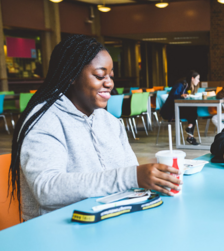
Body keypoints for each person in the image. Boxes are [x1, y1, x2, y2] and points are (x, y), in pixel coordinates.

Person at [9, 35, 181, 221]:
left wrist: (152, 179)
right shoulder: (44, 120)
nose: (109, 83)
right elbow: (47, 189)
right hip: (57, 231)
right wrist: (132, 176)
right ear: (71, 76)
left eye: (110, 76)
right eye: (100, 76)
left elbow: (131, 175)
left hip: (110, 222)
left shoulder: (110, 122)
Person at [160, 70, 201, 145]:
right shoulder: (180, 85)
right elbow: (172, 97)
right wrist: (180, 96)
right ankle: (190, 136)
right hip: (170, 111)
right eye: (197, 79)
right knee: (192, 111)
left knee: (193, 109)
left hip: (178, 109)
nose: (199, 81)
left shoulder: (188, 86)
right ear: (192, 78)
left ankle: (190, 132)